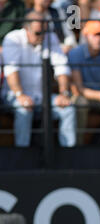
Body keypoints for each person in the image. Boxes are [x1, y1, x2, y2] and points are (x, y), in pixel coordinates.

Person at [2, 11, 76, 147]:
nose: (42, 37)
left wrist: (64, 93)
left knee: (68, 108)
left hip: (42, 97)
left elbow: (62, 67)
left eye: (44, 32)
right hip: (13, 96)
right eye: (37, 33)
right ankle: (22, 155)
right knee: (23, 109)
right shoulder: (12, 38)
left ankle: (69, 156)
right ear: (26, 29)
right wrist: (20, 95)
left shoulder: (49, 37)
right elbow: (11, 70)